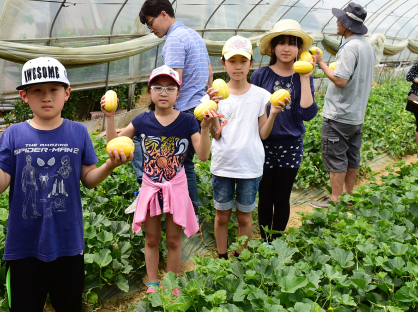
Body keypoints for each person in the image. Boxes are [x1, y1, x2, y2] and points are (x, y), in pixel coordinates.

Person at [0, 57, 131, 312]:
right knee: (25, 310)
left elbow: (88, 179)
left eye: (54, 89)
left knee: (67, 301)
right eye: (37, 90)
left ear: (67, 92)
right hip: (24, 243)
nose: (46, 96)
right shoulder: (13, 135)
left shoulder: (77, 133)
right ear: (24, 96)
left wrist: (109, 165)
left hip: (67, 239)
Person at [102, 65, 213, 293]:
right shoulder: (142, 120)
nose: (164, 92)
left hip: (176, 187)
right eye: (158, 87)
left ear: (178, 93)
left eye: (170, 88)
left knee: (173, 239)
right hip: (151, 187)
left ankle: (171, 285)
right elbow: (114, 145)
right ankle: (153, 283)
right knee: (152, 239)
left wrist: (205, 128)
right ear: (150, 92)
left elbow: (203, 155)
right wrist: (110, 117)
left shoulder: (188, 121)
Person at [127, 0, 214, 217]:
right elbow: (210, 74)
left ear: (163, 14)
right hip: (197, 106)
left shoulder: (174, 39)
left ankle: (147, 186)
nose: (150, 29)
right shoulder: (194, 35)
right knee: (184, 162)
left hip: (183, 109)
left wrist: (160, 111)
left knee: (143, 140)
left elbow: (175, 81)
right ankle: (187, 209)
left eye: (150, 22)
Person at [205, 35, 282, 259]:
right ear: (223, 64)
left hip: (250, 165)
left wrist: (273, 114)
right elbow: (216, 135)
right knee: (221, 216)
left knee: (245, 217)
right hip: (223, 165)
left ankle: (240, 256)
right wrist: (213, 111)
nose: (237, 66)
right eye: (232, 61)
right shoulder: (215, 96)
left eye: (243, 61)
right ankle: (222, 257)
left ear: (251, 63)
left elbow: (263, 134)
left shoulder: (260, 96)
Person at [250, 20, 318, 240]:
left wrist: (306, 79)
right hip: (264, 143)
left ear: (299, 49)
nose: (287, 48)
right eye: (281, 43)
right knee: (265, 197)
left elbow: (307, 114)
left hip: (291, 145)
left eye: (292, 43)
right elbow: (253, 110)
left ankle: (276, 242)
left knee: (281, 197)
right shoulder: (261, 75)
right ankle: (264, 241)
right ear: (273, 48)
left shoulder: (303, 77)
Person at [309, 2, 376, 209]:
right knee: (352, 156)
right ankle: (347, 195)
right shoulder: (367, 47)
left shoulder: (350, 47)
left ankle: (336, 199)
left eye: (340, 20)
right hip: (356, 115)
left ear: (347, 25)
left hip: (339, 114)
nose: (337, 22)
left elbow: (340, 80)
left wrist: (320, 63)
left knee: (336, 157)